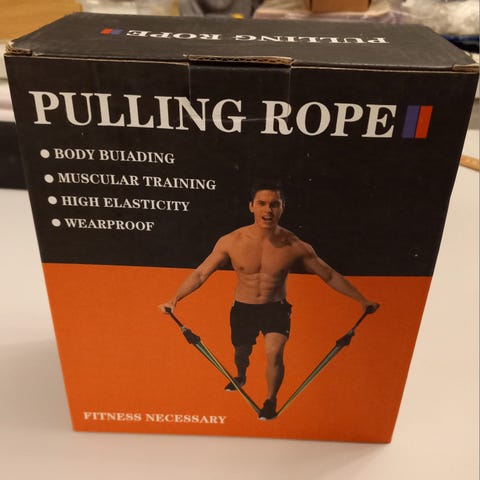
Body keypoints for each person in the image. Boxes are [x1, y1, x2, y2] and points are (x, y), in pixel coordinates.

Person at [159, 180, 378, 420]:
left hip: (276, 309)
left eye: (274, 204)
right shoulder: (231, 241)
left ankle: (270, 400)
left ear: (283, 207)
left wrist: (362, 300)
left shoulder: (295, 245)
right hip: (243, 309)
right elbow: (201, 273)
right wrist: (174, 299)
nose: (268, 210)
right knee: (241, 353)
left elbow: (329, 275)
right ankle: (241, 376)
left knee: (274, 352)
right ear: (251, 206)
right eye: (262, 203)